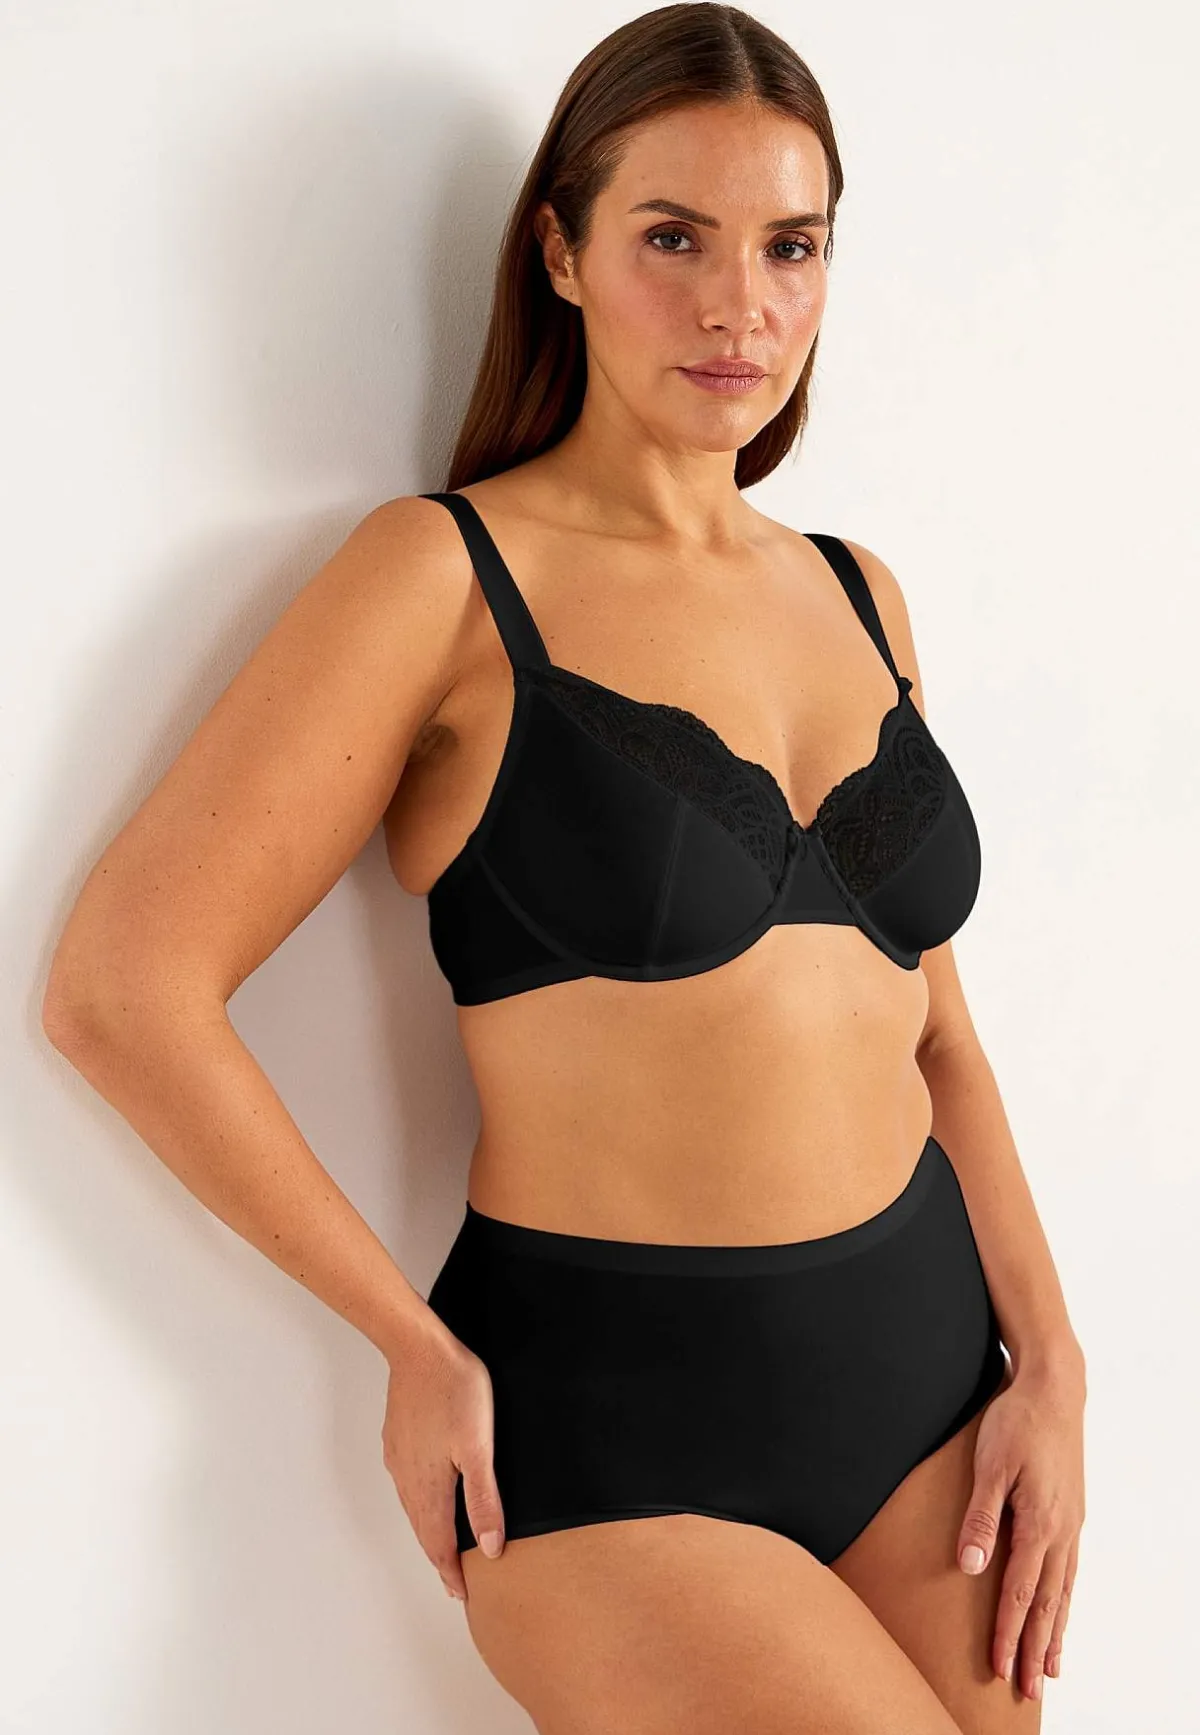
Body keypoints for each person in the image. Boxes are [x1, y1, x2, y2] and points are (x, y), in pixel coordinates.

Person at [41, 5, 1086, 1731]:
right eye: (674, 237)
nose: (739, 304)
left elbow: (939, 1036)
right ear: (563, 252)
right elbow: (120, 987)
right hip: (609, 1431)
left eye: (790, 245)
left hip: (929, 1398)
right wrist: (405, 1338)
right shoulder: (445, 579)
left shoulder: (858, 590)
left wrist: (1053, 1362)